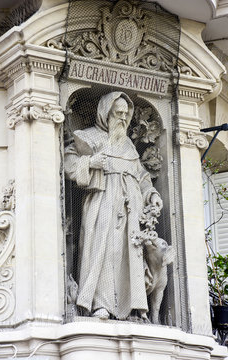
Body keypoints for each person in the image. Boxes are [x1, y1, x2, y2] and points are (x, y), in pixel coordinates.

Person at [64, 91, 162, 320]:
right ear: (105, 114)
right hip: (102, 203)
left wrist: (152, 195)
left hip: (131, 208)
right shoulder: (88, 138)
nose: (122, 118)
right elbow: (69, 164)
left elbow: (142, 176)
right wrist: (90, 162)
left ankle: (131, 307)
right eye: (117, 113)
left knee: (129, 254)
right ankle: (100, 304)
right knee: (102, 251)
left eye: (125, 114)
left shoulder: (128, 144)